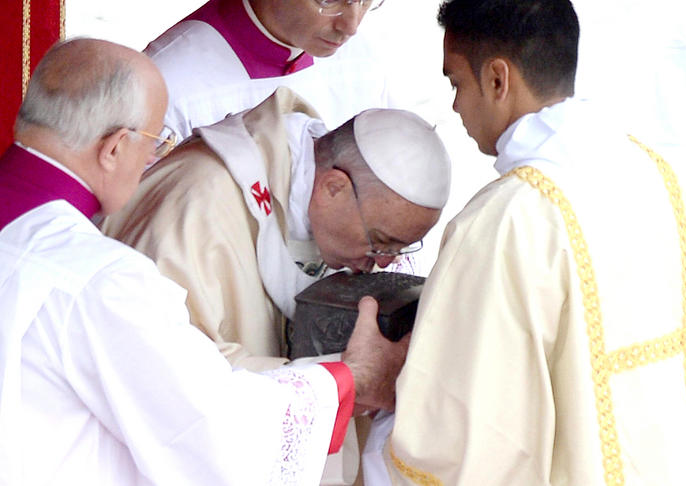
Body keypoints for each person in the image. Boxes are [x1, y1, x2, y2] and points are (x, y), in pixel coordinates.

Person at [0, 37, 410, 486]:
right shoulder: (99, 280)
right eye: (159, 141)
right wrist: (349, 380)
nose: (156, 159)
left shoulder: (32, 240)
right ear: (115, 147)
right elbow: (213, 430)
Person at [358, 0, 686, 484]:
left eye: (456, 82)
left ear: (498, 80)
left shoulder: (506, 220)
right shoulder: (666, 179)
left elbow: (466, 443)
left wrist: (389, 388)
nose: (455, 106)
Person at [101, 86, 451, 484]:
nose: (383, 262)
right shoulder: (196, 205)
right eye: (380, 241)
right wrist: (352, 377)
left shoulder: (317, 195)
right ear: (333, 187)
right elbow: (166, 385)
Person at [147, 0, 398, 142]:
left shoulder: (361, 57)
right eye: (328, 0)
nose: (351, 26)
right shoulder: (167, 84)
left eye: (366, 0)